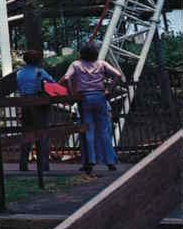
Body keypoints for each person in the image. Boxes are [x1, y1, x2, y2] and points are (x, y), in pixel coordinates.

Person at [60, 43, 122, 176]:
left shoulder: (76, 65)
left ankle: (89, 162)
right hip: (100, 97)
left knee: (88, 130)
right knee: (104, 130)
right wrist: (108, 90)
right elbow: (118, 75)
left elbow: (66, 78)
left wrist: (72, 93)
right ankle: (110, 161)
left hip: (84, 98)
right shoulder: (101, 64)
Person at [17, 49, 56, 171]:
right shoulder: (40, 72)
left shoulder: (19, 73)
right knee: (42, 133)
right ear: (38, 60)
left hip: (24, 102)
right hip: (38, 104)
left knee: (27, 133)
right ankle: (43, 164)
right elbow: (52, 83)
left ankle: (23, 163)